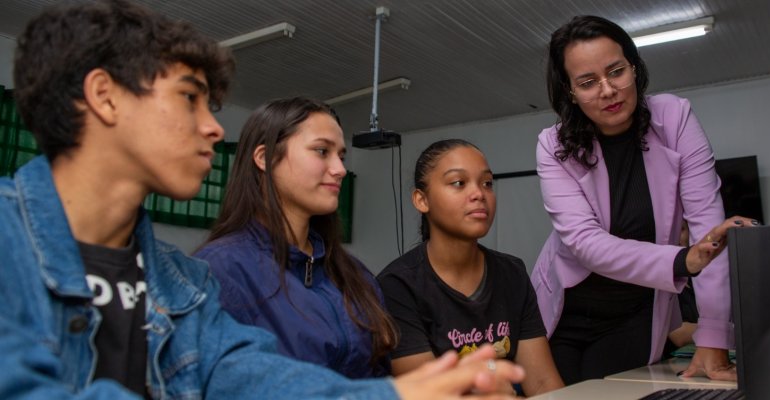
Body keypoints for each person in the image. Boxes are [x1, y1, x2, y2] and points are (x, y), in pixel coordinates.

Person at [0, 1, 526, 398]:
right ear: (104, 96)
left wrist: (399, 392)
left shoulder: (181, 281)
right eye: (189, 98)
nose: (212, 128)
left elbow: (248, 375)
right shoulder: (9, 238)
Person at [532, 15, 758, 385]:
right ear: (570, 91)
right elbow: (586, 244)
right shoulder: (552, 145)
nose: (607, 90)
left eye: (616, 71)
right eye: (587, 82)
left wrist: (715, 337)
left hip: (636, 310)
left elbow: (708, 230)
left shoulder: (675, 117)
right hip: (567, 307)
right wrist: (684, 259)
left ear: (634, 68)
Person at [194, 97, 396, 378]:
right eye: (322, 151)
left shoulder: (356, 276)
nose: (339, 170)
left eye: (341, 156)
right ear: (264, 158)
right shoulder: (220, 270)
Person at [378, 139, 565, 396]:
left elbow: (543, 383)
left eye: (487, 183)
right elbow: (433, 394)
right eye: (459, 183)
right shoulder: (396, 285)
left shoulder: (512, 274)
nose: (479, 194)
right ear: (421, 200)